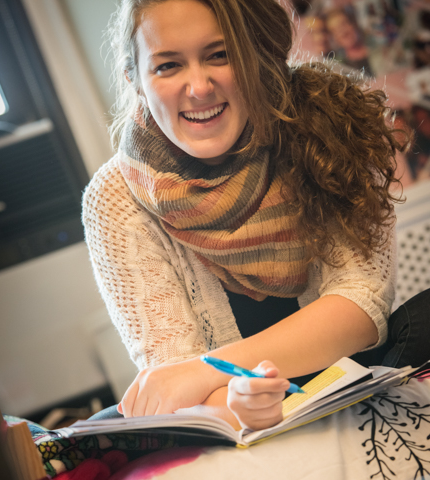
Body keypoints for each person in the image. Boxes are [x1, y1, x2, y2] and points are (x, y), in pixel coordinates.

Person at [82, 0, 429, 432]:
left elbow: (361, 306)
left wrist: (214, 371)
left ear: (256, 58)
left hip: (353, 384)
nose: (199, 87)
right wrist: (232, 406)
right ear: (135, 78)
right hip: (228, 414)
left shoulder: (331, 130)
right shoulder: (115, 198)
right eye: (168, 66)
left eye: (220, 55)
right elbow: (173, 378)